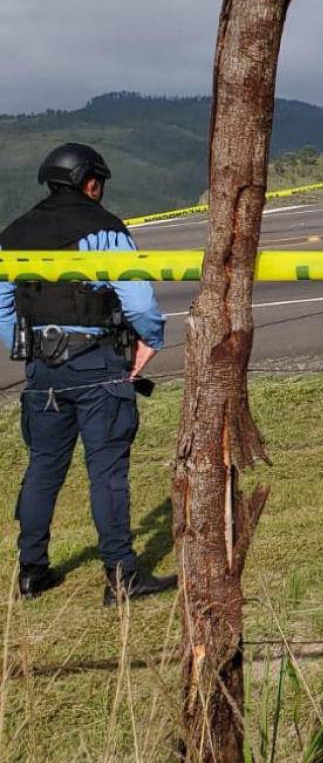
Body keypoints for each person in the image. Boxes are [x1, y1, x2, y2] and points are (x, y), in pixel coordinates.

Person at [0, 143, 176, 605]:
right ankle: (121, 576)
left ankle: (32, 571)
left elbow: (2, 305)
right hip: (98, 362)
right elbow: (138, 303)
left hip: (42, 371)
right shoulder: (107, 230)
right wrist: (150, 341)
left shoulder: (13, 233)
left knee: (42, 469)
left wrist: (28, 348)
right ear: (90, 182)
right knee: (108, 473)